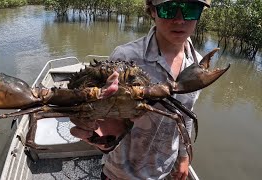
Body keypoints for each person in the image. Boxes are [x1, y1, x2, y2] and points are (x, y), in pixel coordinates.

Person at [70, 0, 211, 179]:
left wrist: (184, 157)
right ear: (152, 10)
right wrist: (96, 135)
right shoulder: (125, 57)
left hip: (165, 170)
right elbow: (109, 120)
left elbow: (186, 115)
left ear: (200, 13)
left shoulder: (197, 65)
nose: (179, 20)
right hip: (121, 173)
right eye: (168, 9)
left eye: (191, 9)